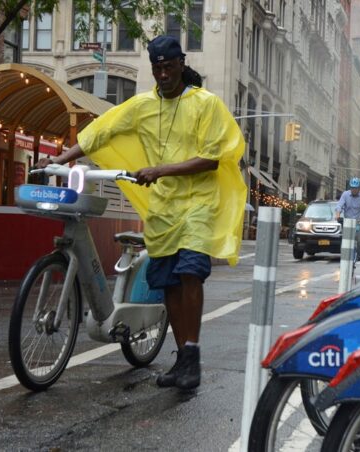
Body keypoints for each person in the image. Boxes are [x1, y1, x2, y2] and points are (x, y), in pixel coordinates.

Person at [35, 35, 247, 391]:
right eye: (157, 68)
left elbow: (211, 159)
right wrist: (59, 159)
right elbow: (99, 132)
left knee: (190, 274)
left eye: (169, 67)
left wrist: (159, 170)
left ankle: (193, 354)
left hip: (199, 203)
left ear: (181, 64)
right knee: (168, 283)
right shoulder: (142, 105)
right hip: (162, 208)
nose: (163, 74)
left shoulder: (205, 103)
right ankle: (184, 358)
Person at [334, 177, 360, 259]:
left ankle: (359, 254)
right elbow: (339, 205)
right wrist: (338, 214)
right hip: (348, 221)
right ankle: (344, 254)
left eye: (356, 188)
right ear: (350, 188)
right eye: (352, 188)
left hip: (359, 221)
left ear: (359, 188)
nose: (354, 190)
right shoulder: (345, 194)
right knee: (344, 238)